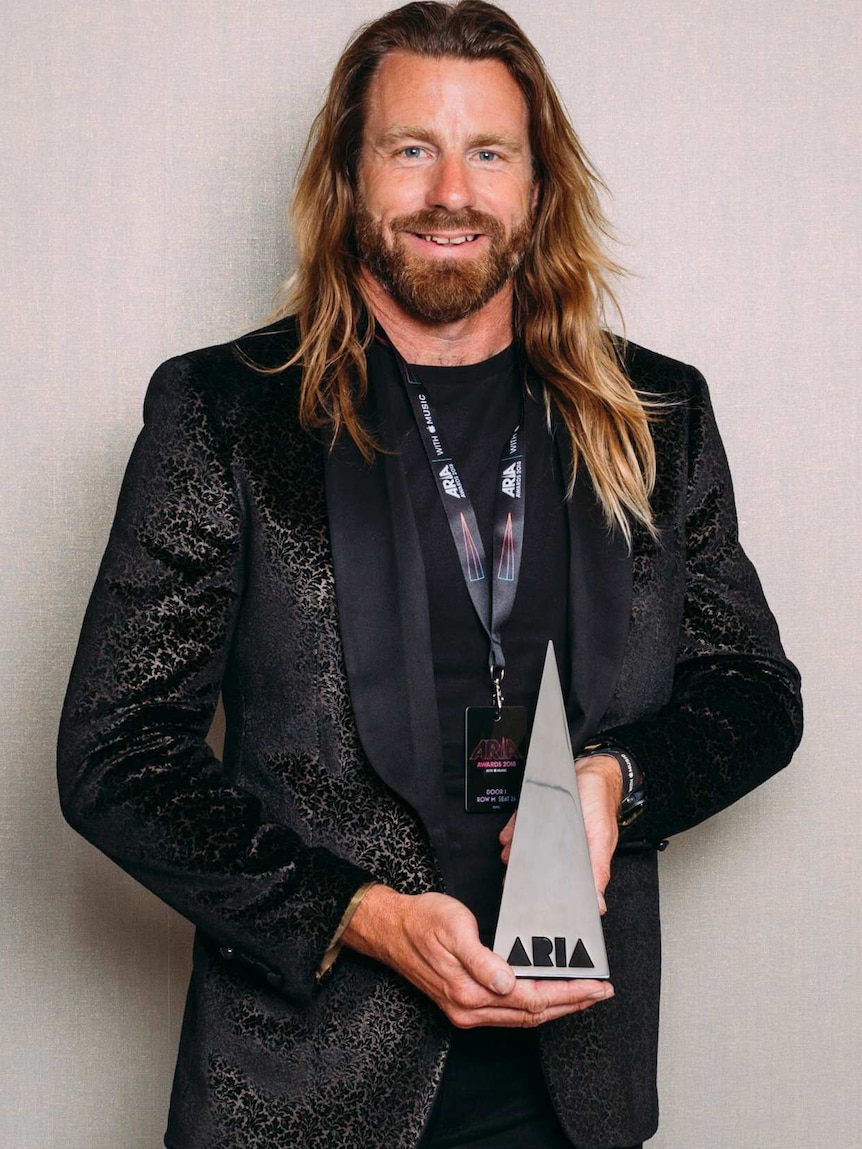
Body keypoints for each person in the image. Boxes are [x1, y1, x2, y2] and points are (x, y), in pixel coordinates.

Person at [57, 3, 803, 1147]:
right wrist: (354, 915)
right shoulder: (224, 414)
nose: (450, 190)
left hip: (574, 1091)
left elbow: (753, 691)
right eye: (411, 149)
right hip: (298, 1098)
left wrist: (618, 782)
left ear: (537, 184)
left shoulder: (658, 415)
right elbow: (115, 754)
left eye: (487, 151)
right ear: (349, 177)